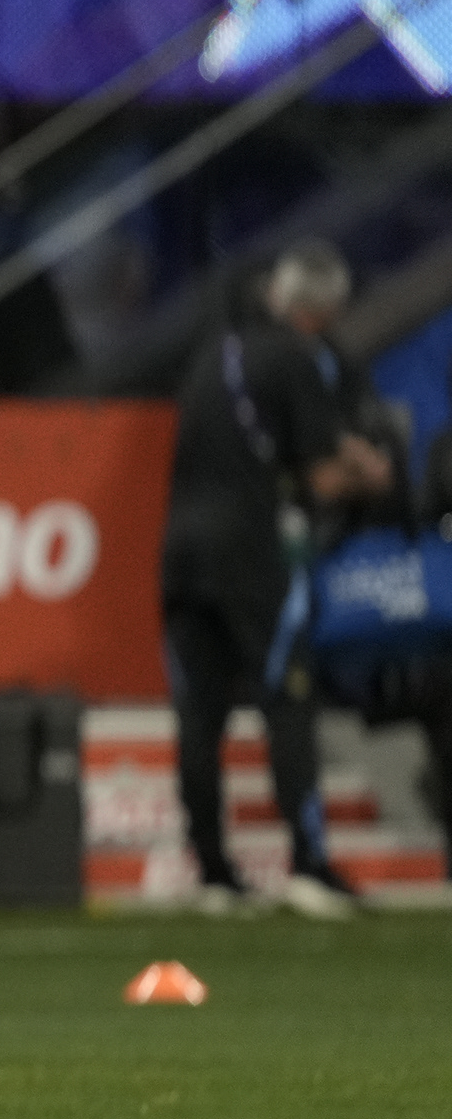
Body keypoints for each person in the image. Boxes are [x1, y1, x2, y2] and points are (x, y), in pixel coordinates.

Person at [162, 244, 385, 917]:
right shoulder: (294, 357)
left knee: (200, 713)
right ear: (322, 310)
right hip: (252, 552)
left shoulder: (213, 354)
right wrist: (371, 473)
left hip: (180, 552)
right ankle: (308, 864)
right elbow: (322, 477)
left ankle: (212, 872)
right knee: (288, 698)